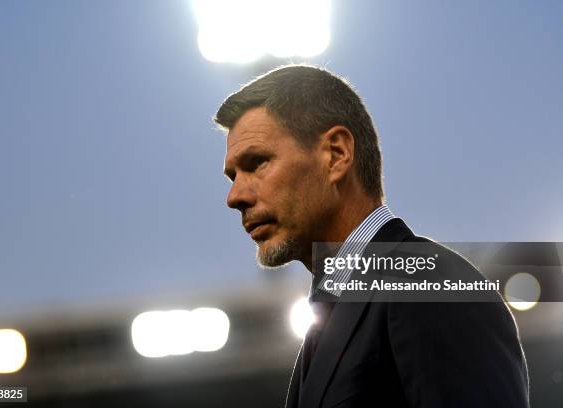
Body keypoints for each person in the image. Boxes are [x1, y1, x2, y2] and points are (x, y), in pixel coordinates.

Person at [215, 65, 529, 408]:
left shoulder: (429, 284)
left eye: (257, 162)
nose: (235, 196)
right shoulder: (333, 312)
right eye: (233, 176)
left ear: (336, 154)